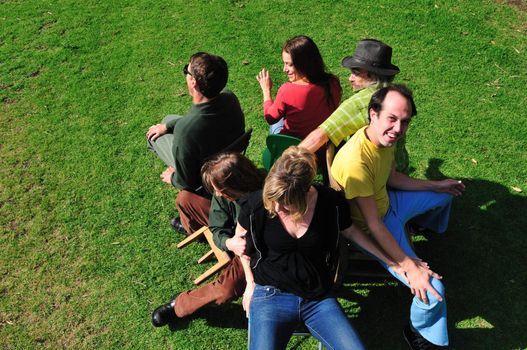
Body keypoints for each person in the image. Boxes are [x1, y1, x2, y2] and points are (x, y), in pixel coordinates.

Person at [236, 146, 430, 350]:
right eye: (273, 200)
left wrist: (394, 263)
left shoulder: (330, 202)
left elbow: (352, 232)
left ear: (304, 193)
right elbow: (239, 240)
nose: (276, 208)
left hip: (318, 298)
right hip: (270, 294)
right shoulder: (257, 203)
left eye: (285, 203)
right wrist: (250, 283)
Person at [331, 85, 465, 349]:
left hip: (390, 202)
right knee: (432, 288)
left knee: (447, 195)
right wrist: (409, 266)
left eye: (404, 122)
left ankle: (426, 226)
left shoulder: (383, 139)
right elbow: (373, 224)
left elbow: (392, 178)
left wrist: (437, 185)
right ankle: (419, 334)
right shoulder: (355, 163)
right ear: (373, 114)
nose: (398, 128)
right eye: (392, 119)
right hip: (375, 227)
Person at [151, 152, 266, 327]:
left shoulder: (267, 193)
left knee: (225, 290)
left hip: (253, 251)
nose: (217, 194)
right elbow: (217, 227)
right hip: (235, 239)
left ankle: (179, 305)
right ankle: (193, 230)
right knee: (185, 199)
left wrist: (239, 248)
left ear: (235, 184)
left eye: (221, 189)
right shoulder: (224, 195)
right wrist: (228, 242)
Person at [146, 52, 245, 235]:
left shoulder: (187, 130)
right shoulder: (229, 97)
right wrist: (168, 125)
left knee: (154, 138)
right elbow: (193, 121)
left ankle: (191, 225)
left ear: (194, 83)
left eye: (187, 71)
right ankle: (166, 126)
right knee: (168, 119)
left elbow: (187, 181)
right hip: (229, 155)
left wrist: (173, 178)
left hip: (206, 174)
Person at [299, 38, 410, 173]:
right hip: (400, 169)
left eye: (356, 72)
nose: (350, 78)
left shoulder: (361, 103)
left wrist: (286, 161)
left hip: (370, 178)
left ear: (371, 75)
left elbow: (320, 136)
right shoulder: (398, 97)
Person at [256, 35, 341, 139]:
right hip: (323, 146)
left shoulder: (287, 90)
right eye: (284, 63)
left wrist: (266, 90)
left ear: (304, 64)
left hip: (293, 148)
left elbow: (270, 118)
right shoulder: (333, 83)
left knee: (276, 123)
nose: (284, 69)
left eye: (289, 65)